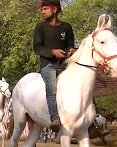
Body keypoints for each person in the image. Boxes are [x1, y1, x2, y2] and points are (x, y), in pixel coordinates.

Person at [33, 0, 74, 132]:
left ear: (54, 10)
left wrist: (71, 49)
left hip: (65, 64)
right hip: (48, 65)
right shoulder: (40, 28)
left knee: (81, 83)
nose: (42, 12)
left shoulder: (67, 27)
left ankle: (90, 120)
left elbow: (70, 43)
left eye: (45, 9)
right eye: (42, 9)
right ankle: (55, 118)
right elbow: (37, 47)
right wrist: (53, 52)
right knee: (52, 89)